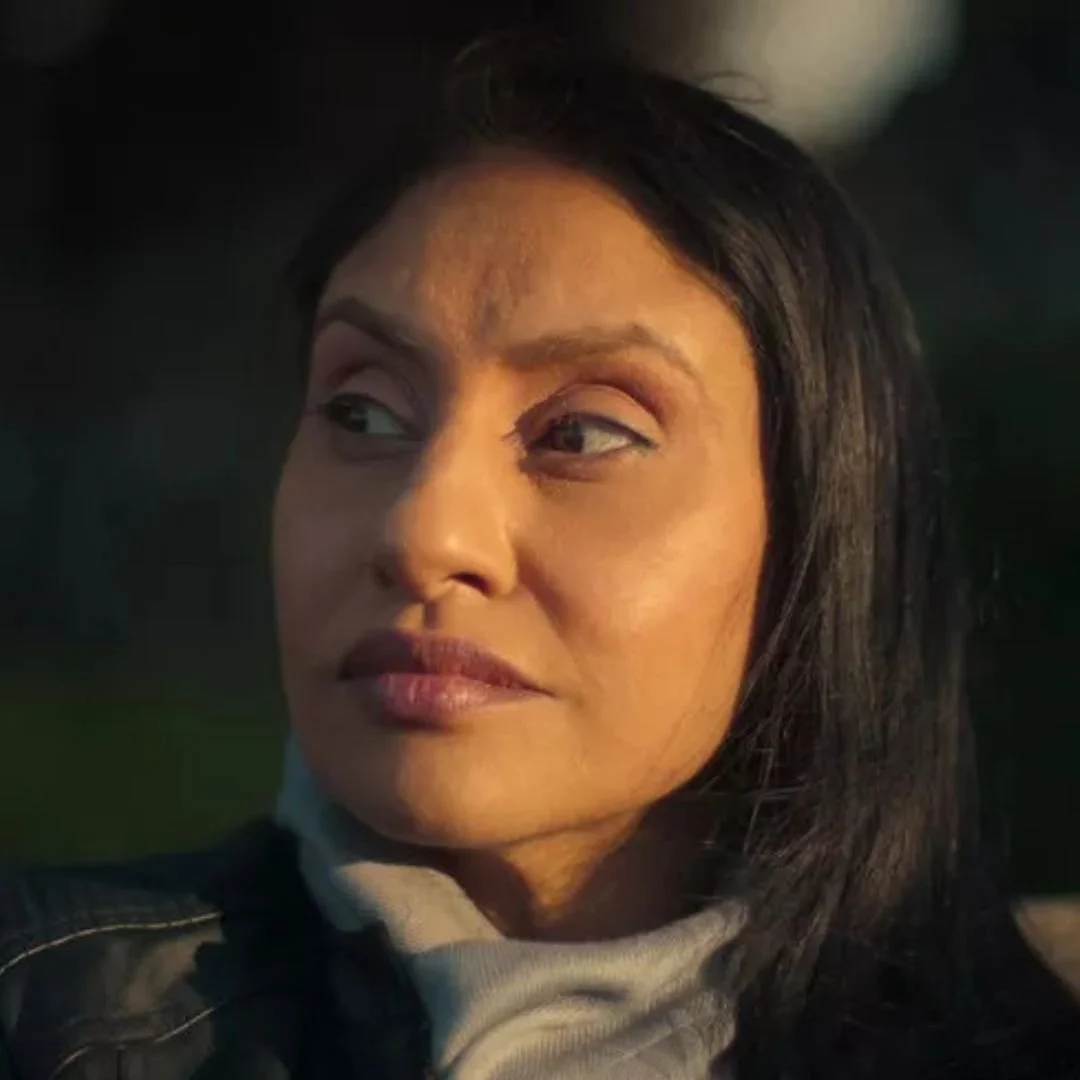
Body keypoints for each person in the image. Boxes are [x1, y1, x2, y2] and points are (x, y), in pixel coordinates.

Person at [2, 35, 1078, 1080]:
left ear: (822, 531)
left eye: (583, 433)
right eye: (363, 411)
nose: (425, 534)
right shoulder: (48, 1017)